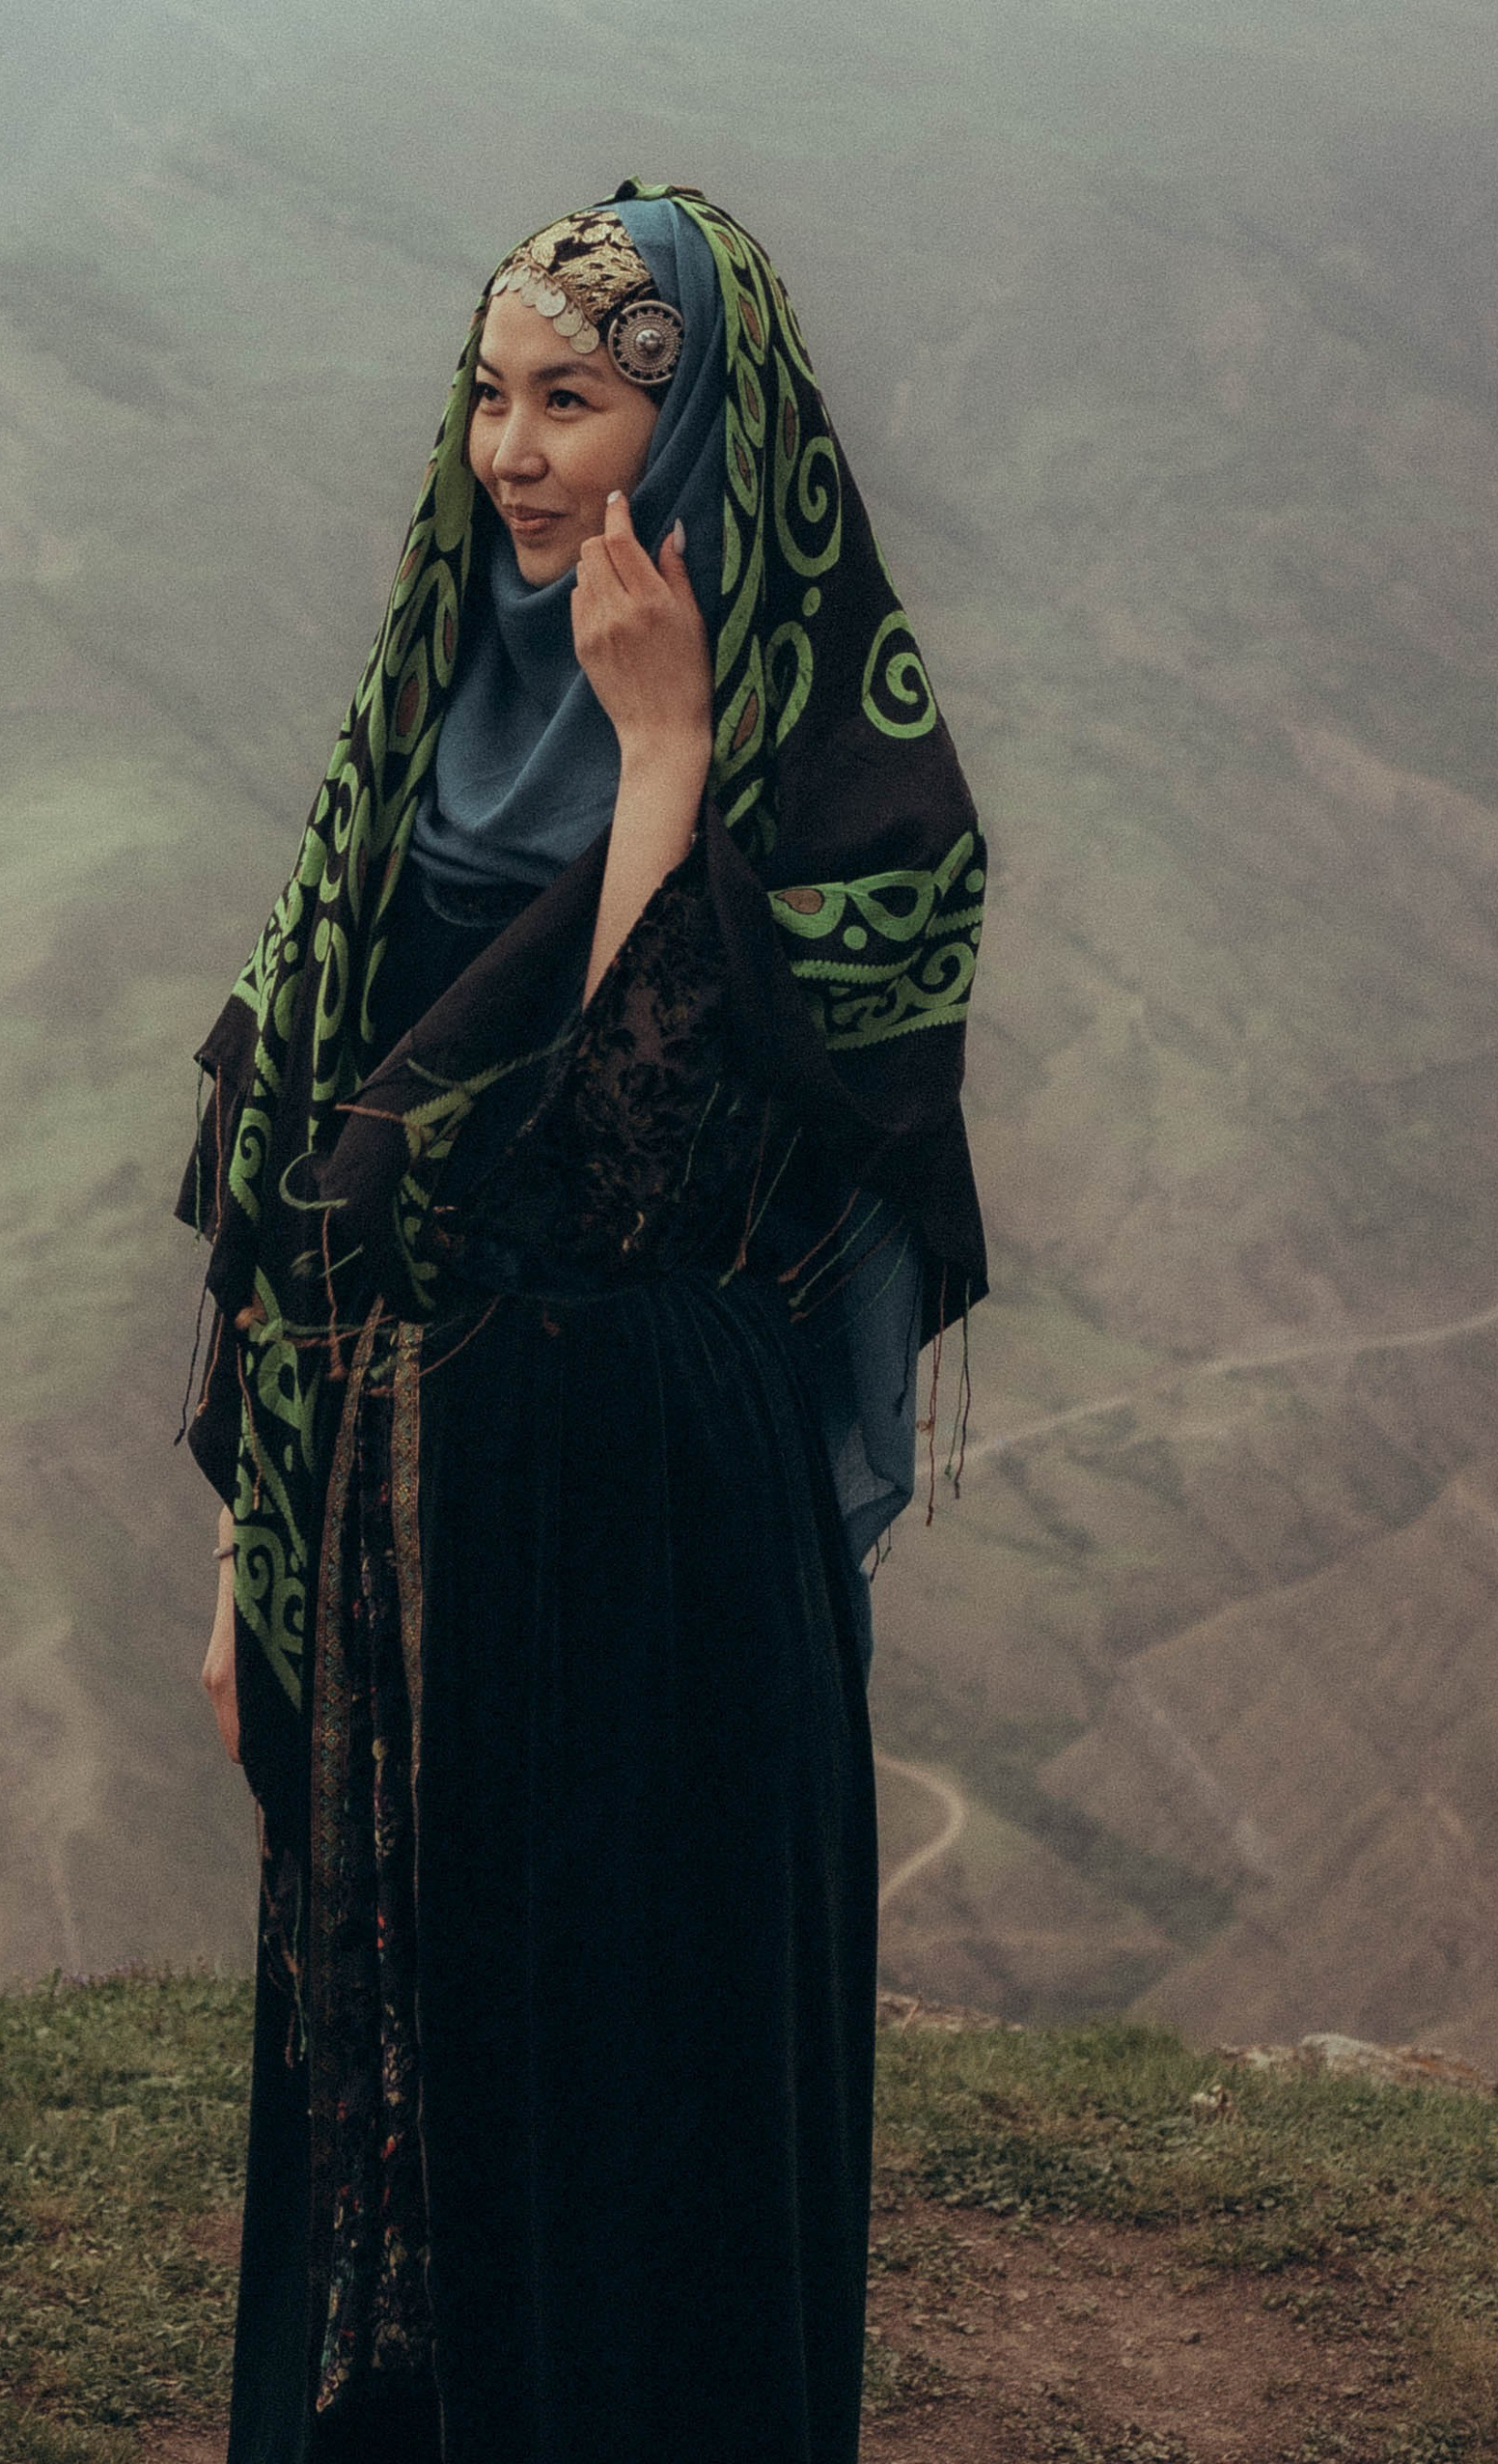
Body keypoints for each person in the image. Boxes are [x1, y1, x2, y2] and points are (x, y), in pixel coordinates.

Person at [179, 182, 986, 2464]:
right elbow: (303, 1169)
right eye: (489, 394)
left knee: (633, 2098)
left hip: (646, 1518)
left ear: (702, 430)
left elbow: (598, 1169)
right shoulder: (430, 707)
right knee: (401, 2093)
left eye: (579, 401)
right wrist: (241, 1543)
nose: (513, 454)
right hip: (393, 1504)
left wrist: (662, 756)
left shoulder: (840, 796)